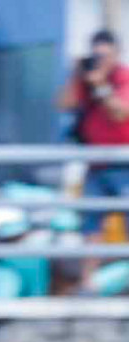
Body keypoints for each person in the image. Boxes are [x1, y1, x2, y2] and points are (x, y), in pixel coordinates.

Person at [61, 30, 129, 290]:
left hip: (125, 163)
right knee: (91, 225)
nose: (100, 60)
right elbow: (64, 104)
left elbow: (120, 113)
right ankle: (88, 285)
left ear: (116, 54)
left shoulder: (123, 78)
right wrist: (75, 76)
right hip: (95, 164)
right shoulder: (85, 79)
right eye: (96, 54)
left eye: (105, 55)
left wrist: (101, 85)